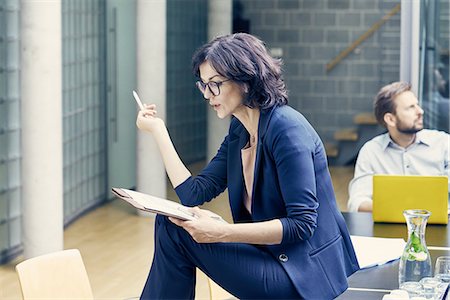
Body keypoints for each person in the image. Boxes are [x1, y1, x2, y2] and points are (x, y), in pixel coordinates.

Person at [136, 33, 359, 299]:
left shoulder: (287, 129)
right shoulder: (240, 129)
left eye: (215, 84)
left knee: (175, 232)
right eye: (203, 85)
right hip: (269, 256)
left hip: (301, 275)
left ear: (245, 80)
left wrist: (223, 232)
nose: (208, 95)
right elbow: (193, 193)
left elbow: (301, 225)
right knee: (171, 223)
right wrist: (159, 131)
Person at [347, 81, 450, 212]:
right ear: (390, 119)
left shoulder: (444, 143)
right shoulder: (371, 151)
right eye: (410, 107)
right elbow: (357, 202)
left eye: (417, 105)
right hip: (388, 229)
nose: (420, 111)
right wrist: (399, 210)